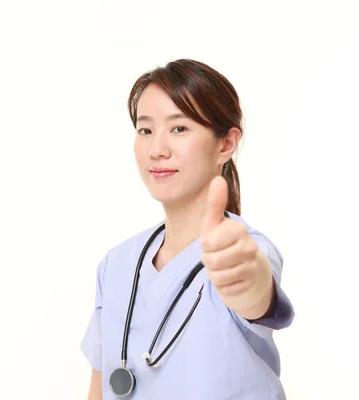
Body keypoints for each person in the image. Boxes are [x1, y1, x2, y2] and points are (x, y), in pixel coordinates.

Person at [80, 59, 295, 400]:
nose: (157, 149)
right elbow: (99, 388)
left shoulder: (243, 250)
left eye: (179, 128)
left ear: (225, 144)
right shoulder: (117, 264)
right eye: (145, 130)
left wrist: (249, 280)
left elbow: (257, 295)